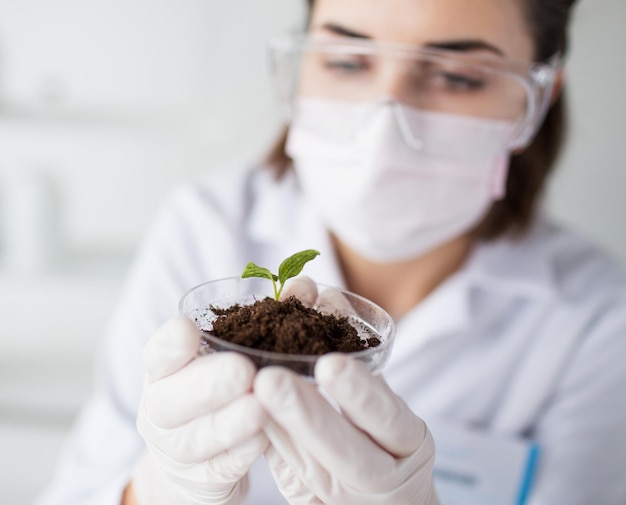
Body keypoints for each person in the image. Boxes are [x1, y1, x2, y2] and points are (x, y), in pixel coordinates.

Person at [36, 0, 626, 504]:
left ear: (538, 99)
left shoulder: (599, 318)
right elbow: (81, 485)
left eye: (458, 76)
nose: (383, 121)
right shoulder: (207, 225)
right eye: (346, 61)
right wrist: (164, 487)